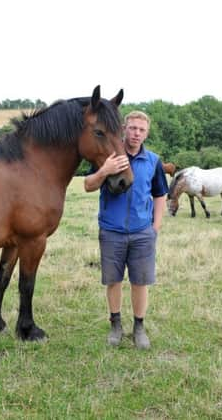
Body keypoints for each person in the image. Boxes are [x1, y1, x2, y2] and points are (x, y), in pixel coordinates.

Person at [84, 110, 168, 349]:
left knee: (140, 282)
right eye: (132, 128)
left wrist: (155, 227)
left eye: (141, 130)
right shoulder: (107, 156)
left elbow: (160, 194)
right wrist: (104, 171)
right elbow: (88, 185)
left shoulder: (153, 161)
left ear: (146, 133)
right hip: (111, 231)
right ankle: (116, 325)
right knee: (113, 281)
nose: (136, 134)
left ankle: (139, 328)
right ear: (124, 129)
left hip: (142, 232)